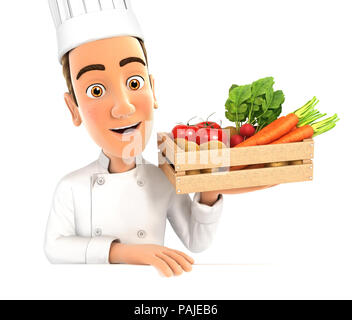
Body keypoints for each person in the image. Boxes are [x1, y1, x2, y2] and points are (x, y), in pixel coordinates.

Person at [45, 0, 270, 277]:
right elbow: (55, 248)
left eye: (134, 83)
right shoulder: (71, 187)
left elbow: (197, 241)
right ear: (74, 109)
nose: (124, 106)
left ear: (153, 90)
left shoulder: (162, 178)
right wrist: (128, 252)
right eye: (96, 90)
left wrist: (209, 185)